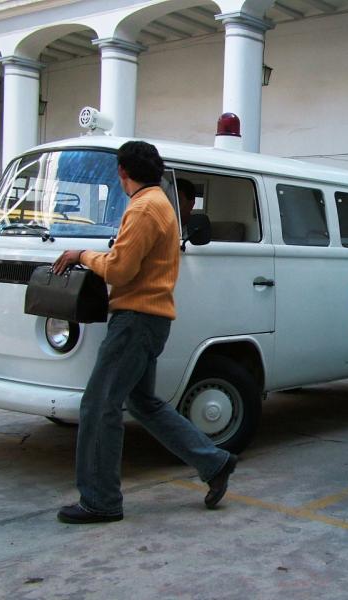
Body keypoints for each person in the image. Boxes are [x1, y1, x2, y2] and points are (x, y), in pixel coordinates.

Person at [53, 140, 236, 524]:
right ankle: (214, 462)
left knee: (99, 405)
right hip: (151, 320)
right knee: (142, 403)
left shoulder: (143, 208)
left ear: (122, 172)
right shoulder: (161, 204)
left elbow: (119, 270)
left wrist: (81, 255)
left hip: (134, 321)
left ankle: (100, 500)